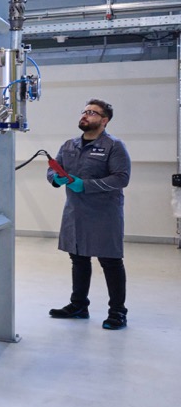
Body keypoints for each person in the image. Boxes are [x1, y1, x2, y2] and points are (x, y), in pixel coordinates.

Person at [47, 98, 131, 330]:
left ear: (104, 120)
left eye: (92, 113)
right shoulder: (69, 145)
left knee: (110, 261)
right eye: (84, 111)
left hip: (105, 213)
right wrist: (56, 178)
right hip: (75, 212)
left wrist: (85, 185)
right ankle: (78, 305)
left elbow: (121, 178)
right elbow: (52, 170)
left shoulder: (114, 146)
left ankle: (117, 312)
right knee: (78, 258)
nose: (85, 115)